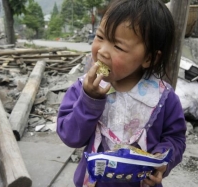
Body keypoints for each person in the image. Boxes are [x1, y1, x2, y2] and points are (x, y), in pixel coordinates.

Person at [57, 0, 186, 186]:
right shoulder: (84, 88)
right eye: (100, 36)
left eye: (117, 46)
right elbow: (70, 137)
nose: (102, 51)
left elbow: (176, 138)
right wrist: (89, 100)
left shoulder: (162, 98)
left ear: (149, 58)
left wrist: (162, 159)